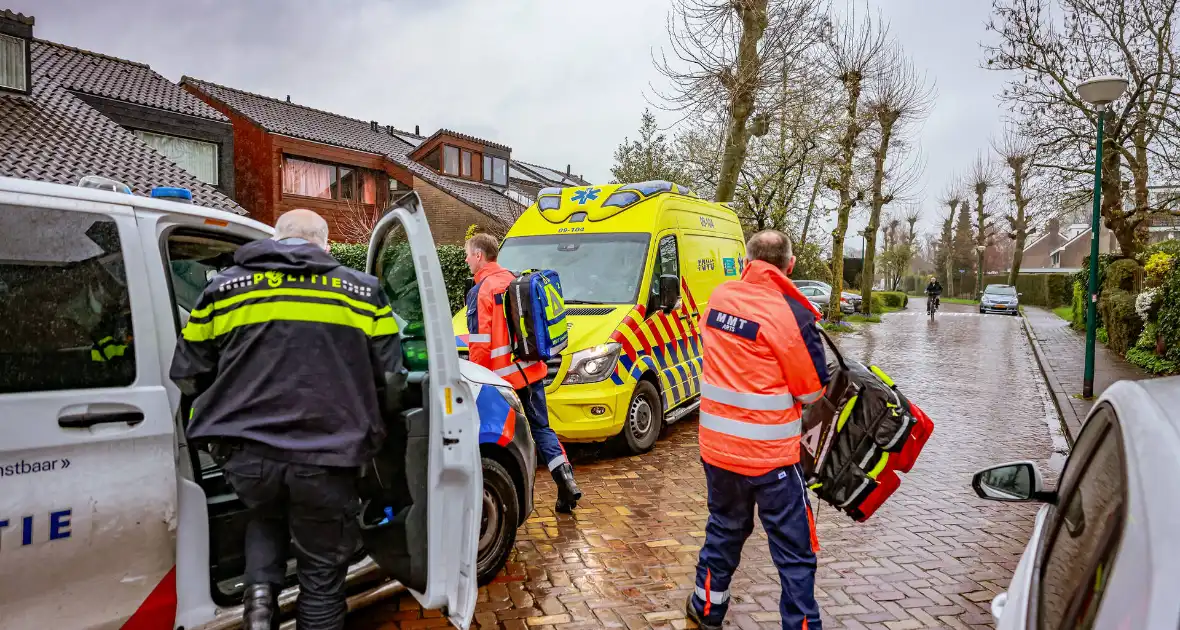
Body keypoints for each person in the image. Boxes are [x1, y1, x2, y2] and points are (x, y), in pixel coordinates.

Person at [170, 209, 402, 630]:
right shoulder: (360, 291)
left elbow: (188, 375)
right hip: (327, 459)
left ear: (277, 240)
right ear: (325, 246)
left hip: (249, 460)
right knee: (320, 575)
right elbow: (392, 379)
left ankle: (259, 611)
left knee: (266, 517)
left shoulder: (224, 289)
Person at [688, 230, 829, 630]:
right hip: (772, 460)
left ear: (747, 260)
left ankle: (706, 609)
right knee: (794, 551)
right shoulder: (792, 314)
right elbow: (812, 390)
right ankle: (801, 625)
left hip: (718, 451)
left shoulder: (719, 298)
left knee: (724, 531)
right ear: (790, 264)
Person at [464, 233, 582, 513]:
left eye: (468, 254)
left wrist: (474, 381)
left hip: (502, 381)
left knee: (500, 437)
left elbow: (480, 344)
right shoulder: (515, 281)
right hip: (532, 371)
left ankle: (501, 500)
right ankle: (567, 482)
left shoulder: (480, 291)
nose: (467, 260)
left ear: (480, 256)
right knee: (542, 429)